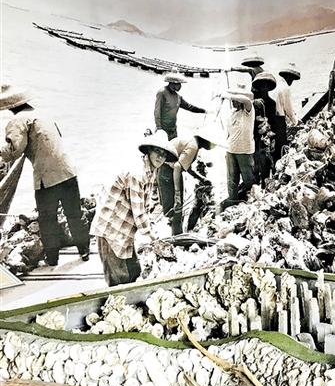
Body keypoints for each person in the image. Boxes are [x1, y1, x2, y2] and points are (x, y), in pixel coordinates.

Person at [0, 83, 90, 265]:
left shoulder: (17, 121)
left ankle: (53, 258)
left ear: (9, 106)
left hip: (46, 178)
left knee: (47, 219)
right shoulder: (42, 114)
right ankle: (84, 250)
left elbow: (14, 150)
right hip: (68, 171)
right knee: (74, 213)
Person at [90, 130, 178, 286]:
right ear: (149, 150)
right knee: (119, 282)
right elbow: (139, 213)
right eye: (157, 152)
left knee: (135, 273)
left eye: (164, 154)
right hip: (110, 230)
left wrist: (151, 230)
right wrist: (154, 239)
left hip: (124, 231)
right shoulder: (137, 173)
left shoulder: (151, 171)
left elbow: (145, 206)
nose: (160, 157)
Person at [158, 125, 220, 235]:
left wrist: (201, 178)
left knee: (173, 207)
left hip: (165, 170)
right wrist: (177, 193)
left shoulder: (191, 141)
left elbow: (187, 167)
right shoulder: (193, 147)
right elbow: (178, 167)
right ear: (205, 141)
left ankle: (175, 231)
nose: (213, 146)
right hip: (168, 172)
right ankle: (177, 236)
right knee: (176, 208)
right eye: (212, 143)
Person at [220, 84, 256, 211]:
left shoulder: (248, 110)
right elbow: (229, 133)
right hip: (231, 150)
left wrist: (228, 95)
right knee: (231, 180)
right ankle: (233, 202)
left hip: (245, 151)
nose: (233, 102)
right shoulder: (232, 114)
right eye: (233, 100)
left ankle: (252, 202)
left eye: (235, 100)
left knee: (248, 179)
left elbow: (246, 100)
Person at [154, 72, 207, 140]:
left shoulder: (178, 97)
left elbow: (189, 107)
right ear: (172, 83)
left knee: (174, 145)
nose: (180, 86)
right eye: (179, 84)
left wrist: (205, 111)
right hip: (162, 130)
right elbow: (157, 111)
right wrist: (158, 127)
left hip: (173, 129)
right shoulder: (162, 92)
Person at [253, 72, 286, 164]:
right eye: (262, 86)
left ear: (269, 87)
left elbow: (274, 122)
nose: (264, 88)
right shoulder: (254, 103)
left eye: (266, 85)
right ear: (259, 87)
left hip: (267, 136)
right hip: (256, 136)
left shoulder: (272, 103)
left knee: (268, 160)